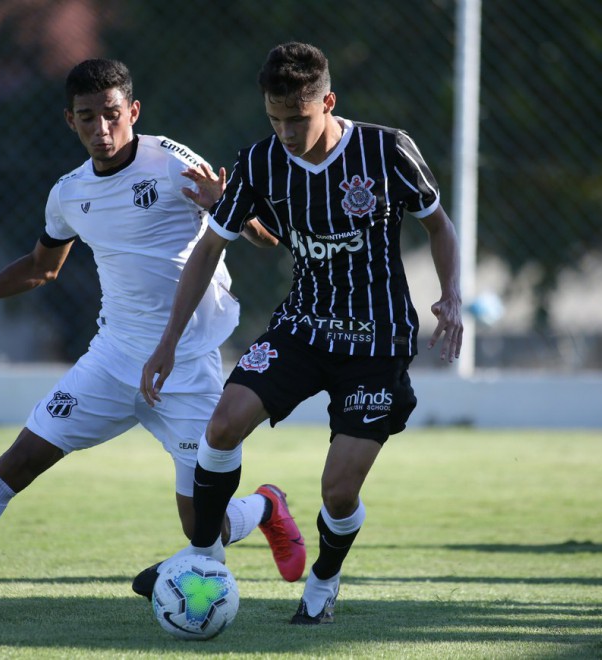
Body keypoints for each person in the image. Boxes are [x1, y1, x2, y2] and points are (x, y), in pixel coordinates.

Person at [0, 58, 306, 618]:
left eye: (112, 115)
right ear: (69, 121)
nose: (102, 128)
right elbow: (39, 268)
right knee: (17, 461)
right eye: (88, 117)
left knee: (206, 532)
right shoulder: (68, 194)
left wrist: (229, 210)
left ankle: (265, 508)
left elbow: (266, 239)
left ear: (133, 112)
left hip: (189, 369)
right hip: (113, 360)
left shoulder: (171, 160)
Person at [139, 42, 463, 624]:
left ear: (327, 102)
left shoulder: (386, 149)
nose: (286, 132)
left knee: (338, 492)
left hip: (376, 341)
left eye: (297, 118)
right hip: (303, 327)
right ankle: (206, 556)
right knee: (223, 422)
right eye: (275, 118)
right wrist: (167, 342)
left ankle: (325, 578)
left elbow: (439, 225)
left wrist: (451, 294)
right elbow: (210, 247)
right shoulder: (260, 162)